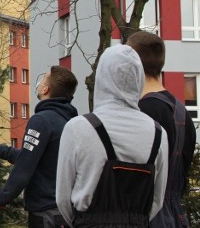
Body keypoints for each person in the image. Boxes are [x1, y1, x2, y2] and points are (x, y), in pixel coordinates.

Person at [56, 44, 168, 227]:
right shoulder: (158, 133)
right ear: (139, 79)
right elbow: (157, 201)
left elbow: (63, 199)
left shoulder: (77, 128)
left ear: (102, 77)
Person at [0, 65, 78, 227]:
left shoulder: (41, 121)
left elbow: (24, 167)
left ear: (46, 89)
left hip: (46, 213)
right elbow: (31, 157)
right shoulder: (70, 121)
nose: (39, 82)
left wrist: (0, 200)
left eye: (43, 79)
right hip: (65, 212)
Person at [127, 31, 196, 227]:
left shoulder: (141, 112)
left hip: (145, 215)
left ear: (133, 64)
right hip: (176, 217)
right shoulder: (182, 112)